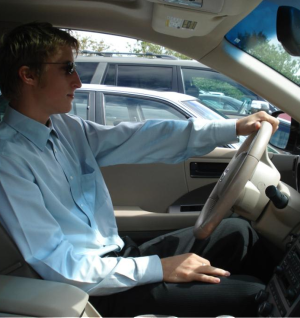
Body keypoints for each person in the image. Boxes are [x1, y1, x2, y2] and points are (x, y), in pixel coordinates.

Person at [0, 22, 279, 318]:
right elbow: (60, 266)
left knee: (237, 232)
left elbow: (142, 137)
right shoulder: (8, 160)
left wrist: (231, 127)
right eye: (67, 69)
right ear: (28, 75)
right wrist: (160, 267)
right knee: (253, 295)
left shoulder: (67, 128)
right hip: (91, 290)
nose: (78, 82)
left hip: (119, 257)